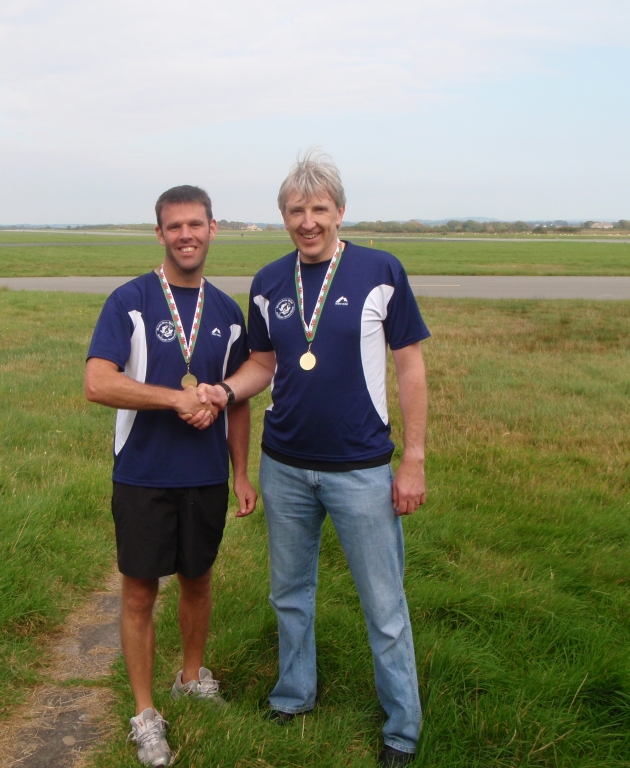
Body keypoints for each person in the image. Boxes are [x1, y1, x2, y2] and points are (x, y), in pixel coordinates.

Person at [197, 152, 429, 767]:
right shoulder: (269, 282)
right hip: (287, 466)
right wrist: (224, 392)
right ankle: (294, 695)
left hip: (362, 469)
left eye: (319, 209)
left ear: (340, 212)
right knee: (289, 592)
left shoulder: (381, 270)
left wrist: (414, 459)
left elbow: (410, 366)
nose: (308, 221)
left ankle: (402, 728)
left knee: (384, 605)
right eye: (296, 210)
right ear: (283, 217)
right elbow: (265, 365)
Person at [84, 185, 257, 767]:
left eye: (197, 224)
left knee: (199, 580)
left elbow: (238, 400)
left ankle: (189, 678)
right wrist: (174, 400)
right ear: (159, 233)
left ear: (213, 229)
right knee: (139, 592)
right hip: (142, 474)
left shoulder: (228, 312)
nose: (186, 234)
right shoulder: (130, 301)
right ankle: (144, 714)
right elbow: (97, 382)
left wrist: (241, 473)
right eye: (174, 225)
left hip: (205, 475)